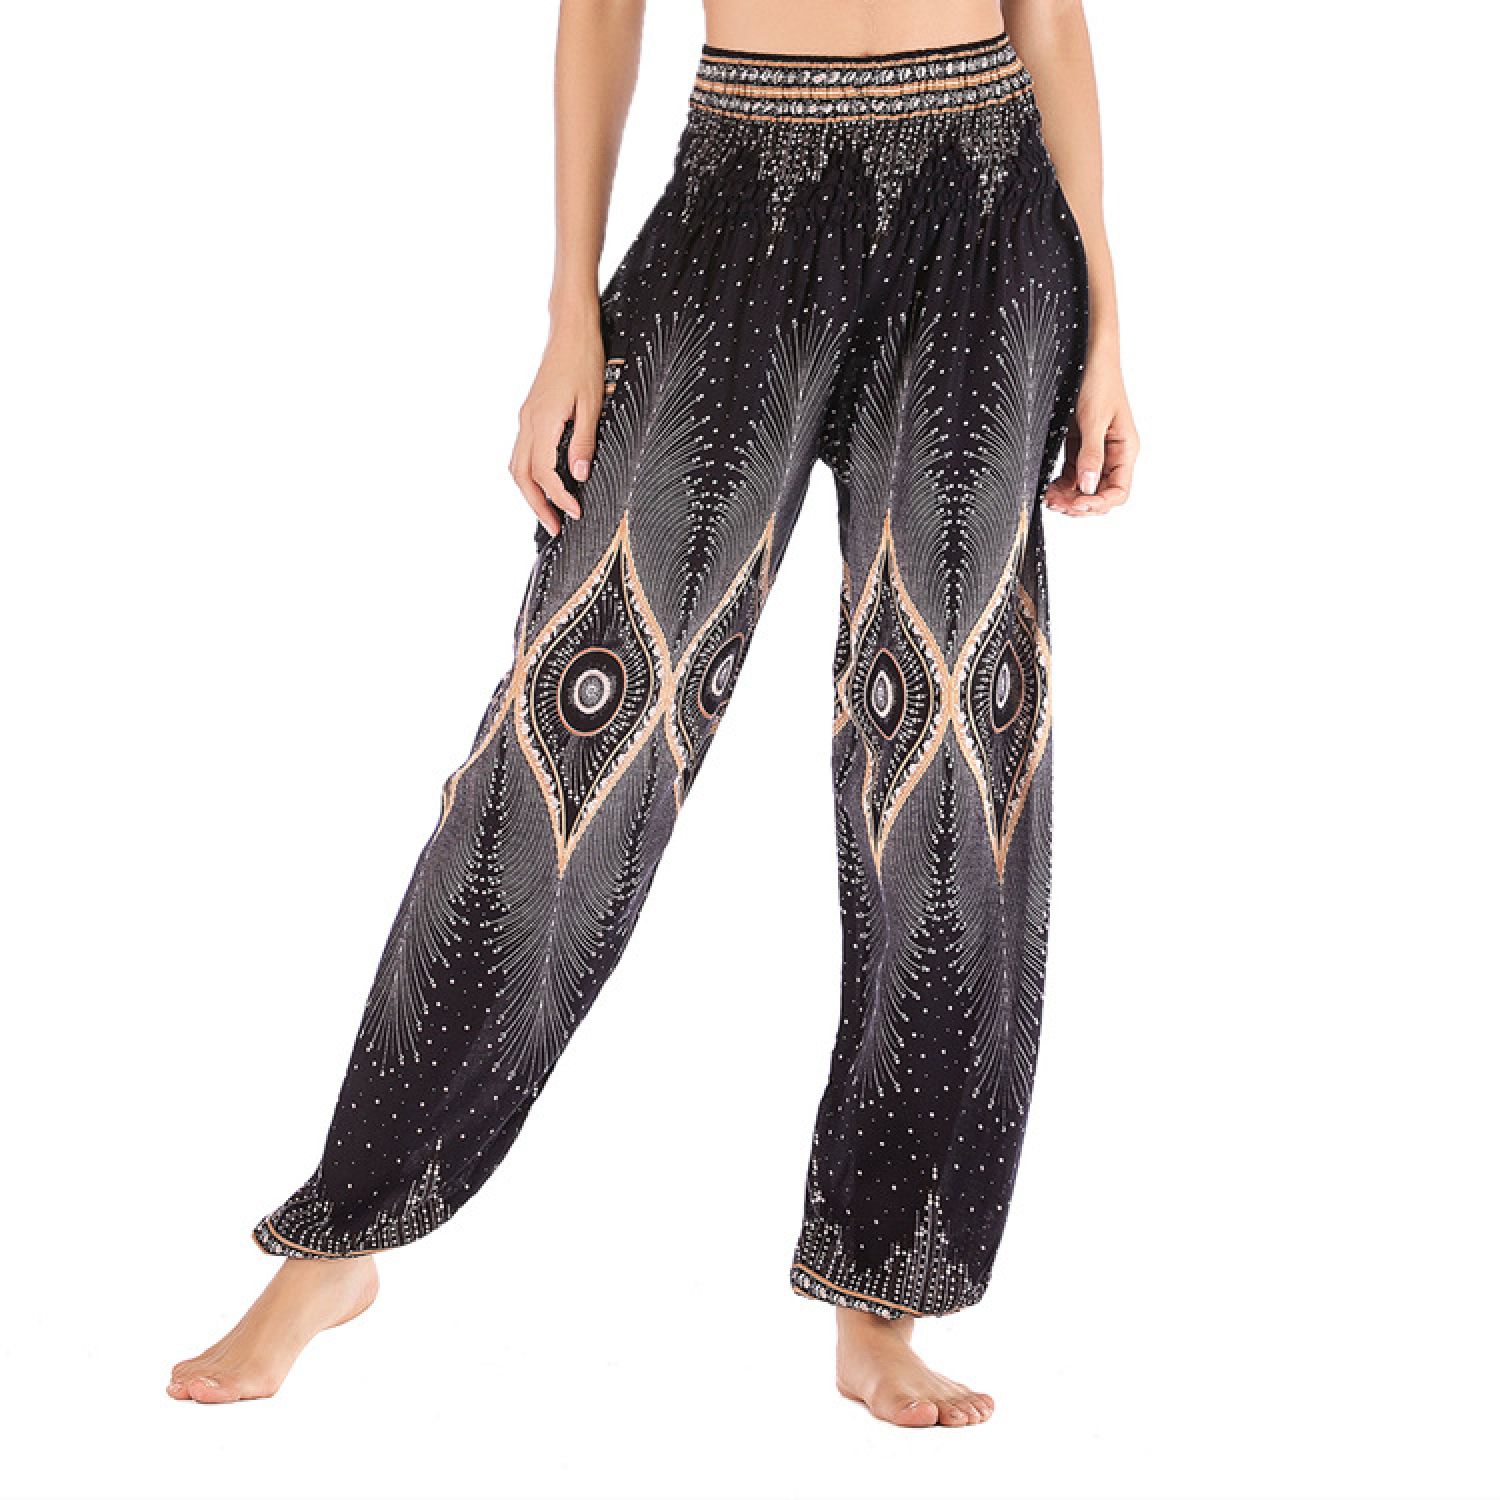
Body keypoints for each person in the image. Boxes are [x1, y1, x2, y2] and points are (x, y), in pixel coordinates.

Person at [168, 0, 1137, 1426]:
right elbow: (599, 15)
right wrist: (572, 310)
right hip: (741, 194)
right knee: (570, 742)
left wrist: (1108, 316)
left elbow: (1048, 19)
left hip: (989, 218)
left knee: (947, 765)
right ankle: (345, 1234)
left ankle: (887, 1295)